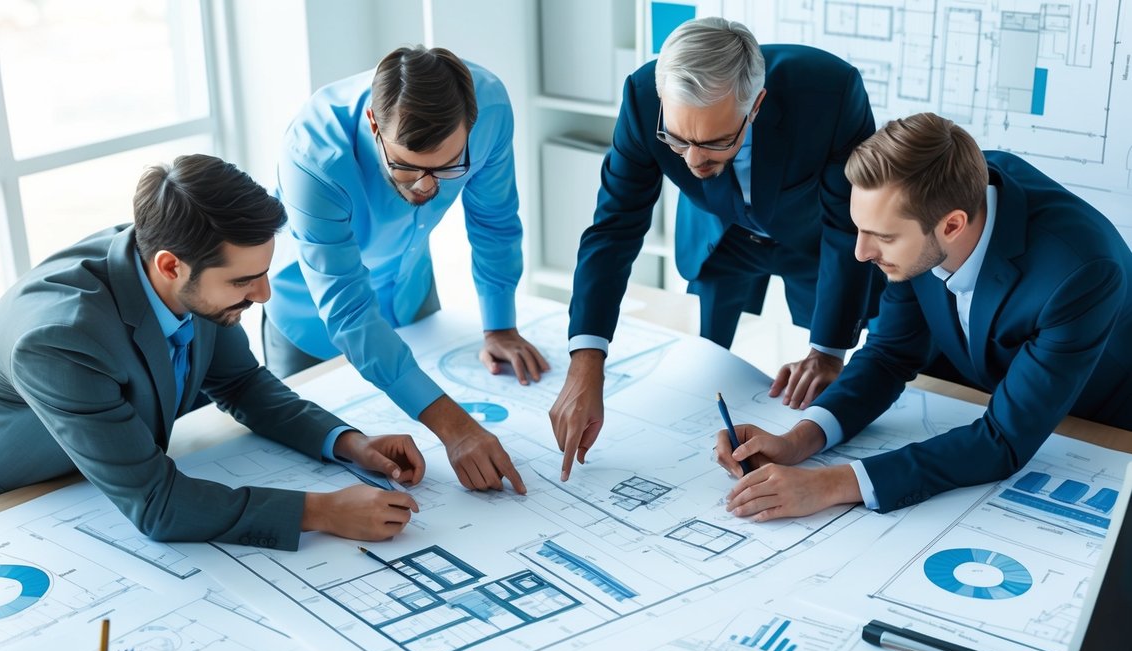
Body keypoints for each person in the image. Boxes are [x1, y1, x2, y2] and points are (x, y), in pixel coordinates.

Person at [0, 155, 425, 548]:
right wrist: (324, 511)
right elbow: (159, 506)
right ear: (169, 266)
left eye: (265, 271)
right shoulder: (58, 341)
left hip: (93, 482)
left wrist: (348, 443)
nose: (265, 294)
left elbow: (240, 383)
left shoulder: (189, 271)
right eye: (245, 280)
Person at [720, 113, 1132, 519]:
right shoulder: (930, 194)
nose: (861, 253)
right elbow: (889, 355)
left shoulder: (1080, 272)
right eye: (860, 228)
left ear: (953, 225)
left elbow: (1004, 440)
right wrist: (798, 441)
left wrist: (829, 484)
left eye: (882, 237)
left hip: (1097, 422)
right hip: (975, 387)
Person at [550, 17, 882, 480]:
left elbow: (849, 224)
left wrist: (828, 351)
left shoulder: (830, 91)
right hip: (720, 236)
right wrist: (586, 361)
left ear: (757, 105)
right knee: (708, 367)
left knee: (815, 381)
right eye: (678, 139)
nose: (692, 161)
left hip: (812, 242)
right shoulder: (643, 96)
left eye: (716, 142)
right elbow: (614, 228)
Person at [265, 45, 547, 495]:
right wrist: (456, 428)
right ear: (376, 125)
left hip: (409, 289)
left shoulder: (489, 108)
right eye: (405, 166)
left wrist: (500, 326)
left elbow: (494, 223)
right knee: (321, 471)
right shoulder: (312, 154)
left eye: (448, 166)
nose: (427, 185)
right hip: (312, 321)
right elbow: (351, 314)